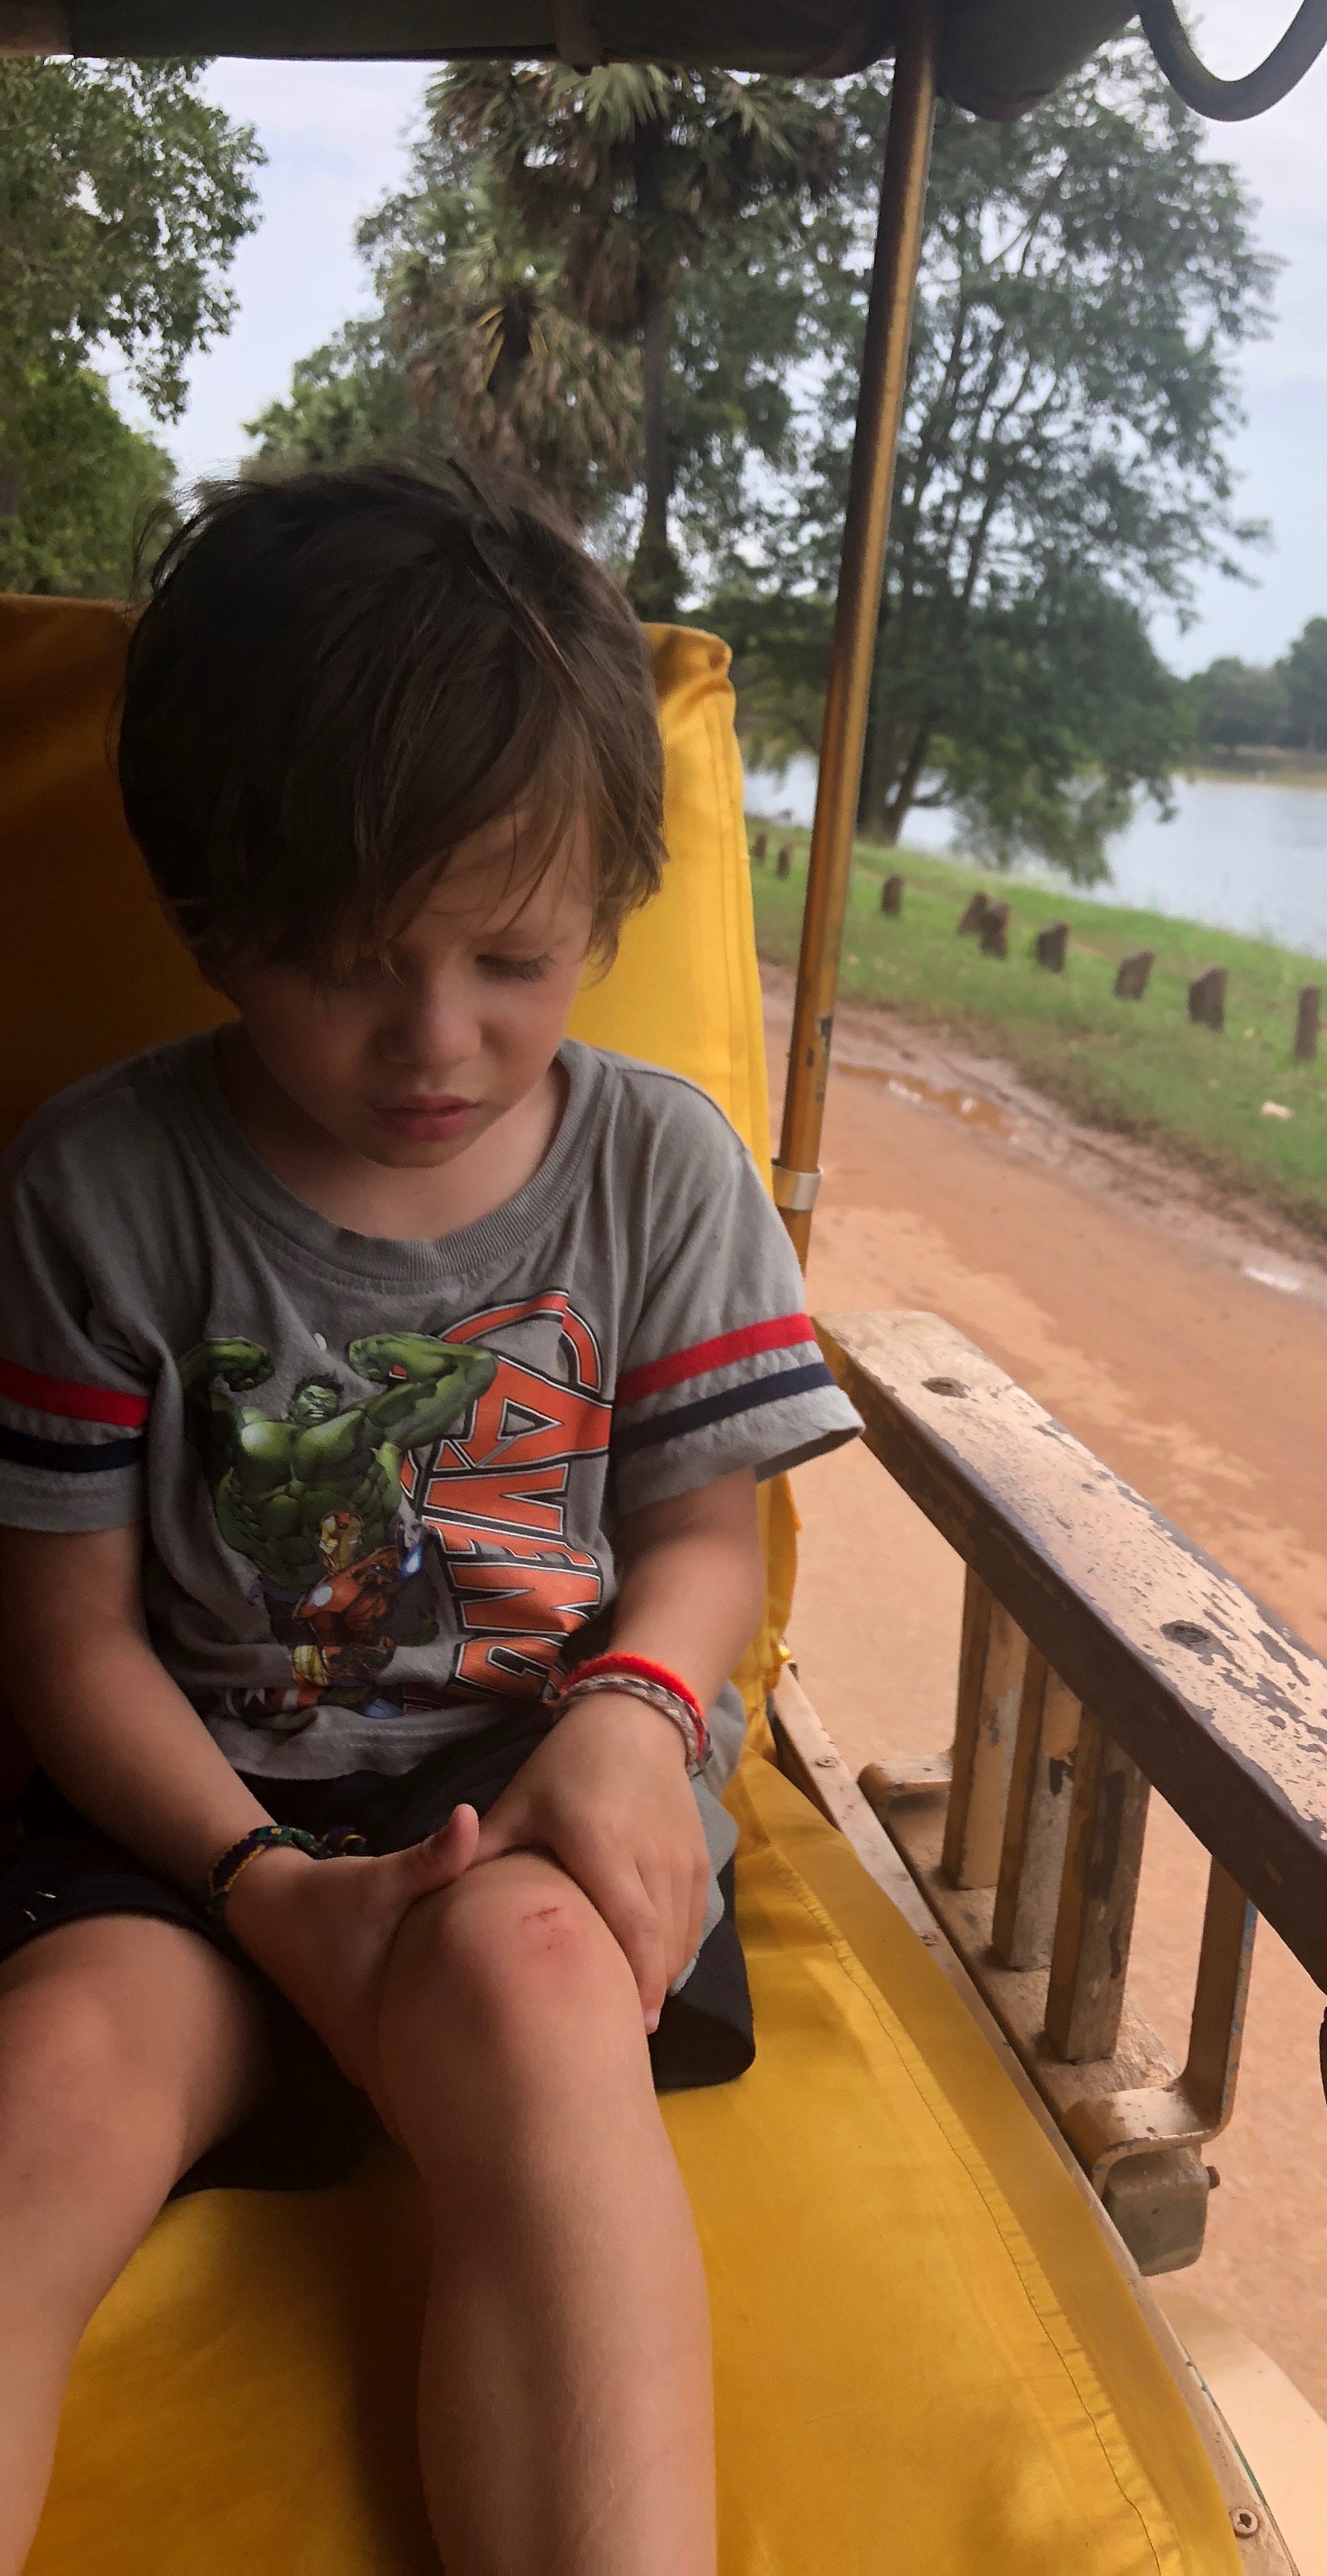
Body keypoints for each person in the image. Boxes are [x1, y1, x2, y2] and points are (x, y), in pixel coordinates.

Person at [0, 462, 861, 2575]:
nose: (436, 1039)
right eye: (343, 964)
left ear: (610, 909)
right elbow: (64, 1634)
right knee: (50, 2098)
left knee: (546, 1974)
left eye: (514, 957)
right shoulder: (99, 1193)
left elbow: (703, 1541)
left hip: (532, 1813)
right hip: (183, 1841)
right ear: (211, 920)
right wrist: (259, 1877)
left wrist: (635, 1716)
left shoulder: (660, 1173)